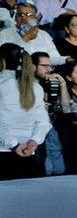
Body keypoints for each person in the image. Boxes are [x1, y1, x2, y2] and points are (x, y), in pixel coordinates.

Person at [0, 43, 52, 180]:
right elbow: (43, 122)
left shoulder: (3, 85)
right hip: (29, 154)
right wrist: (34, 142)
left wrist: (14, 145)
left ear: (2, 61)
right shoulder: (36, 88)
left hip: (5, 152)